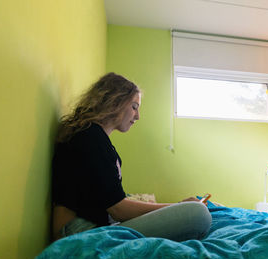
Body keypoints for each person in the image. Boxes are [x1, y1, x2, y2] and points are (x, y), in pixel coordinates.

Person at [52, 72, 212, 241]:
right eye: (134, 107)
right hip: (81, 232)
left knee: (195, 212)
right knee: (197, 213)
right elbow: (118, 209)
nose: (137, 116)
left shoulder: (94, 137)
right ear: (115, 102)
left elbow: (110, 201)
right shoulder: (89, 137)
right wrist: (179, 207)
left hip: (96, 225)